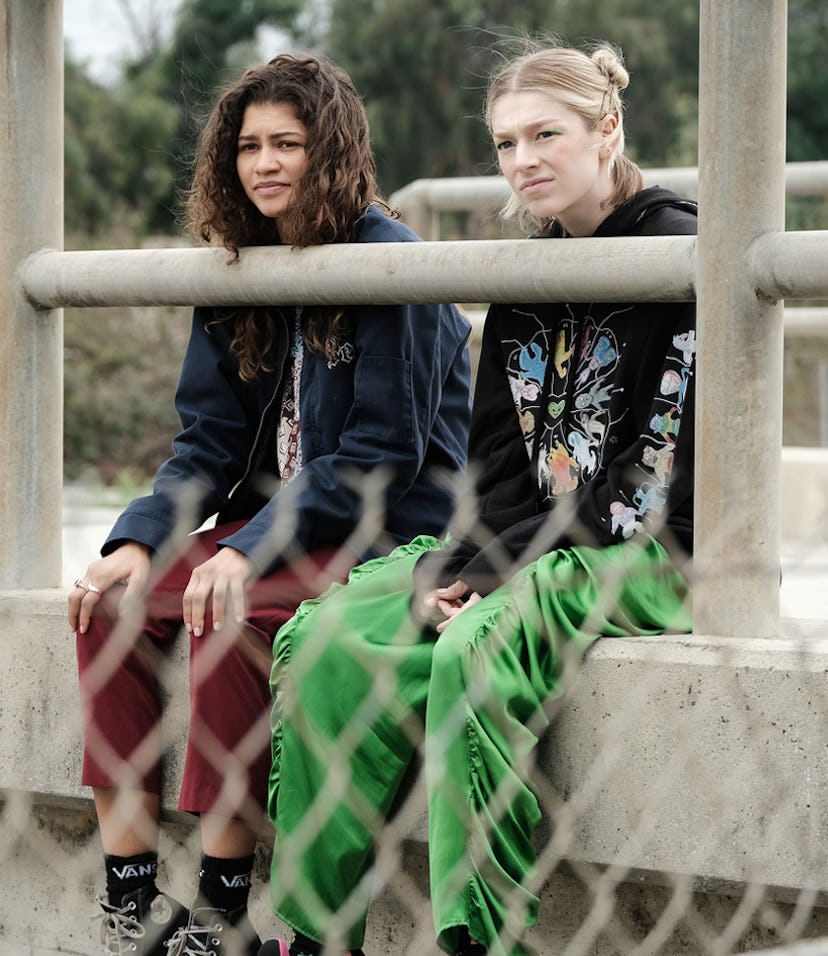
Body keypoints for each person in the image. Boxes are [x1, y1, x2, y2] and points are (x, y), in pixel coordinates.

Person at [257, 39, 697, 956]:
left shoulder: (678, 252)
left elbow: (644, 489)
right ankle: (313, 931)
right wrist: (463, 559)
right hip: (527, 541)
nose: (522, 160)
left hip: (652, 550)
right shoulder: (523, 275)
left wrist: (492, 570)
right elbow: (494, 466)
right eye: (504, 143)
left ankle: (477, 937)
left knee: (471, 645)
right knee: (335, 633)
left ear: (607, 127)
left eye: (546, 134)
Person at [69, 52, 472, 956]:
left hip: (386, 530)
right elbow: (206, 444)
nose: (265, 164)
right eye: (249, 146)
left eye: (287, 142)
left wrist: (242, 551)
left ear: (330, 148)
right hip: (265, 529)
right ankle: (129, 903)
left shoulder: (388, 263)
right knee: (106, 605)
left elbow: (381, 458)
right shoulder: (238, 269)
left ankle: (220, 913)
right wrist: (139, 541)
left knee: (228, 606)